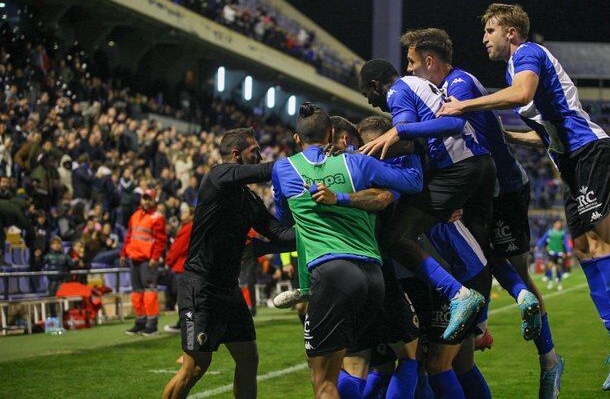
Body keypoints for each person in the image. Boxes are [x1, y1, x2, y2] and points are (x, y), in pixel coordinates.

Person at [437, 3, 610, 391]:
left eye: (490, 30)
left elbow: (521, 94)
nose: (484, 38)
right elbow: (544, 132)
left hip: (588, 151)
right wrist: (507, 137)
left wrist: (466, 104)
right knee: (584, 251)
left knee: (602, 245)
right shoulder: (514, 67)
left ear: (511, 33)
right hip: (569, 160)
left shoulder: (528, 55)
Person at [399, 27, 562, 396]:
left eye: (411, 64)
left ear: (428, 61)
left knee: (507, 266)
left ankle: (548, 357)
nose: (408, 73)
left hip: (501, 187)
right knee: (485, 256)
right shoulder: (444, 89)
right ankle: (491, 322)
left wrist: (398, 131)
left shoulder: (458, 84)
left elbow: (454, 121)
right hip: (485, 189)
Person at [271, 103, 424, 398]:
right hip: (373, 276)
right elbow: (413, 182)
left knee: (326, 380)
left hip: (331, 275)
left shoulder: (283, 168)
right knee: (376, 360)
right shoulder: (357, 163)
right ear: (331, 134)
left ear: (297, 139)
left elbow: (284, 219)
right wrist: (412, 144)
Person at [359, 59, 494, 343]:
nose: (371, 102)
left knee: (396, 237)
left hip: (457, 166)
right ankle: (479, 318)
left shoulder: (397, 90)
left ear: (374, 85)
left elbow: (408, 135)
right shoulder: (415, 86)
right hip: (470, 165)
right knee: (446, 230)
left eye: (367, 94)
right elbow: (412, 136)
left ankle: (460, 296)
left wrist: (361, 158)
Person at [162, 128, 295, 399]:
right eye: (253, 152)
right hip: (200, 287)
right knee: (196, 366)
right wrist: (305, 161)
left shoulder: (248, 199)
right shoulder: (218, 175)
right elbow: (264, 171)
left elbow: (281, 234)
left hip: (228, 290)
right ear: (236, 155)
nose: (258, 156)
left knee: (248, 358)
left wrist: (318, 228)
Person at [119, 188, 167, 336]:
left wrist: (155, 257)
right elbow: (129, 237)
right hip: (134, 258)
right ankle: (140, 322)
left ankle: (152, 325)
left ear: (154, 201)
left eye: (149, 198)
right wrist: (123, 253)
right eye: (144, 198)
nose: (146, 201)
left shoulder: (157, 217)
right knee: (137, 293)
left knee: (149, 292)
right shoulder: (135, 216)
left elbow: (160, 240)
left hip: (148, 261)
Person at [164, 203, 193, 333]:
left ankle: (184, 325)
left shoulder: (188, 228)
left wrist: (168, 261)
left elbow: (177, 248)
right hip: (187, 267)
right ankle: (187, 324)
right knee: (188, 300)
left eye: (185, 212)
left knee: (184, 300)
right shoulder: (191, 227)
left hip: (182, 267)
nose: (182, 214)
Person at [536, 220, 570, 291]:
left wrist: (568, 251)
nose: (559, 225)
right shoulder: (550, 232)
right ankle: (550, 282)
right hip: (551, 253)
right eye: (557, 223)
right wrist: (538, 246)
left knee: (558, 268)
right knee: (549, 266)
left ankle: (559, 283)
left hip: (559, 253)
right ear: (554, 224)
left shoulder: (562, 233)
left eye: (560, 224)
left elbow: (566, 243)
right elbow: (543, 239)